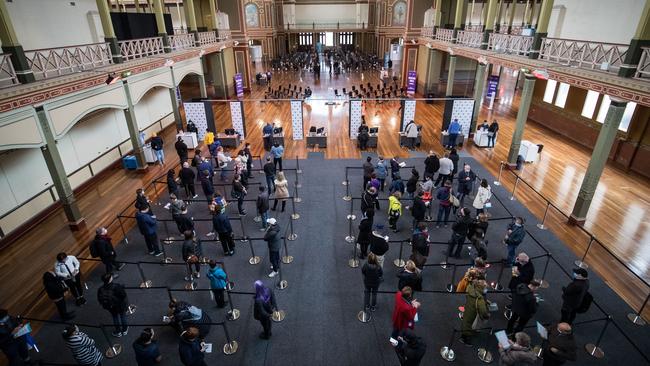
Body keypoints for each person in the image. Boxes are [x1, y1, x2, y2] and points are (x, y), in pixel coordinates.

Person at [97, 273, 129, 337]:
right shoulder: (117, 286)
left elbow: (99, 299)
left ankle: (118, 331)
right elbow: (123, 295)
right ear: (110, 279)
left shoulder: (100, 289)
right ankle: (125, 330)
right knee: (122, 316)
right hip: (120, 305)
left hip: (110, 307)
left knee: (115, 317)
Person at [460, 279, 490, 345]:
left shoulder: (470, 289)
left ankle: (463, 336)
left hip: (468, 308)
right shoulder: (480, 299)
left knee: (466, 322)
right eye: (485, 288)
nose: (486, 290)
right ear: (481, 288)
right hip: (473, 313)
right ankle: (465, 339)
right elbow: (483, 311)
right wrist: (487, 316)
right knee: (470, 324)